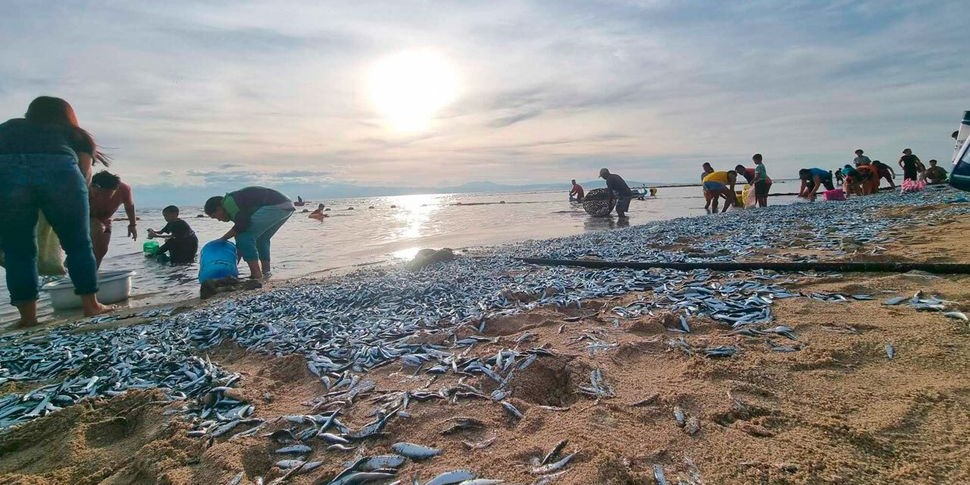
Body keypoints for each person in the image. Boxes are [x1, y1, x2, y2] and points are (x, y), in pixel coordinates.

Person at [0, 96, 112, 325]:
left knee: (18, 250)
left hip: (7, 172)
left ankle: (28, 318)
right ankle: (91, 306)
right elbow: (84, 174)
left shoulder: (8, 128)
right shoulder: (74, 134)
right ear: (67, 115)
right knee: (78, 244)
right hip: (60, 172)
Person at [205, 186, 295, 279]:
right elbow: (241, 232)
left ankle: (256, 274)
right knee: (261, 239)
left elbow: (242, 225)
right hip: (287, 206)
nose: (219, 220)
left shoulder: (228, 203)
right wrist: (233, 264)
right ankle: (266, 272)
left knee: (243, 236)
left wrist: (223, 239)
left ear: (219, 208)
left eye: (215, 216)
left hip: (275, 206)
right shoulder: (235, 204)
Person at [89, 171, 136, 267]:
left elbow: (129, 207)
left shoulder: (124, 189)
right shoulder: (84, 187)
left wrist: (132, 225)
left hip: (106, 219)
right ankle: (72, 266)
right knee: (97, 228)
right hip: (84, 219)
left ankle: (92, 275)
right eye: (101, 194)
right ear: (93, 187)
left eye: (108, 195)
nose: (104, 198)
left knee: (102, 249)